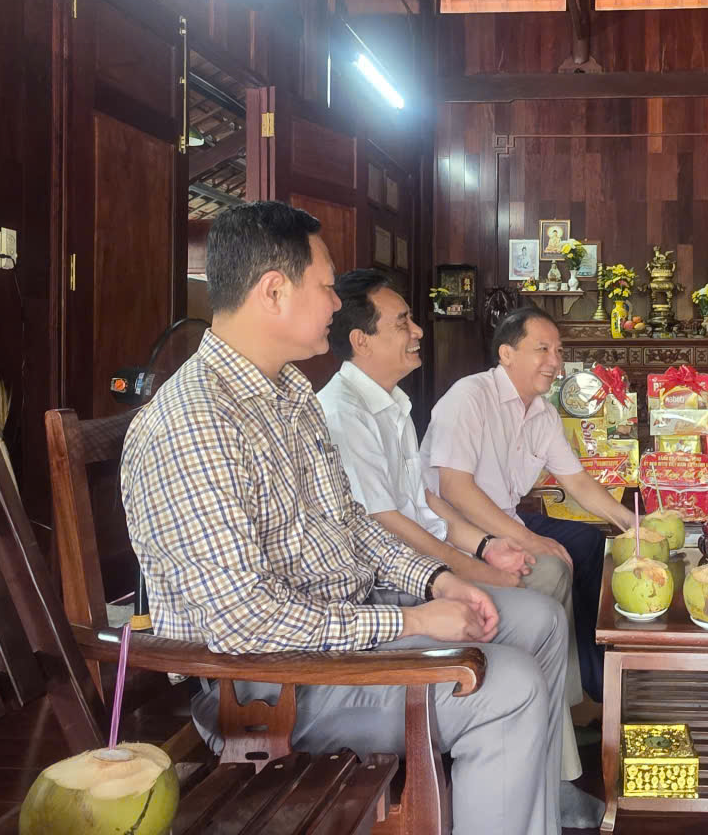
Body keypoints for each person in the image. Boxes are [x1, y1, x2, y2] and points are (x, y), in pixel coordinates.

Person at [121, 203, 568, 835]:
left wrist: (437, 581)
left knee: (541, 622)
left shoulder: (290, 393)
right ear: (274, 291)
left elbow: (353, 523)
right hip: (273, 682)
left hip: (345, 620)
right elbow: (245, 622)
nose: (336, 303)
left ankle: (536, 817)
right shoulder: (196, 423)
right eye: (327, 286)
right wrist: (414, 620)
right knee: (508, 684)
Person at [316, 269, 603, 827]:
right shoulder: (343, 413)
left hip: (420, 567)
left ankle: (550, 784)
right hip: (386, 591)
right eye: (403, 322)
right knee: (540, 597)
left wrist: (488, 547)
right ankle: (541, 764)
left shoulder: (391, 404)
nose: (418, 330)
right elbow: (388, 525)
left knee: (548, 611)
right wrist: (467, 570)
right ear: (361, 341)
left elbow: (424, 503)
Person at [421, 307, 637, 704]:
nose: (555, 361)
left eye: (558, 350)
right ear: (506, 354)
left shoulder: (543, 413)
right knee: (554, 562)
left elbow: (576, 481)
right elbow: (455, 489)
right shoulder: (469, 397)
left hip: (505, 520)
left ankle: (594, 675)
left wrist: (631, 522)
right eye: (542, 349)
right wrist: (529, 540)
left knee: (589, 543)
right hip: (460, 533)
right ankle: (557, 691)